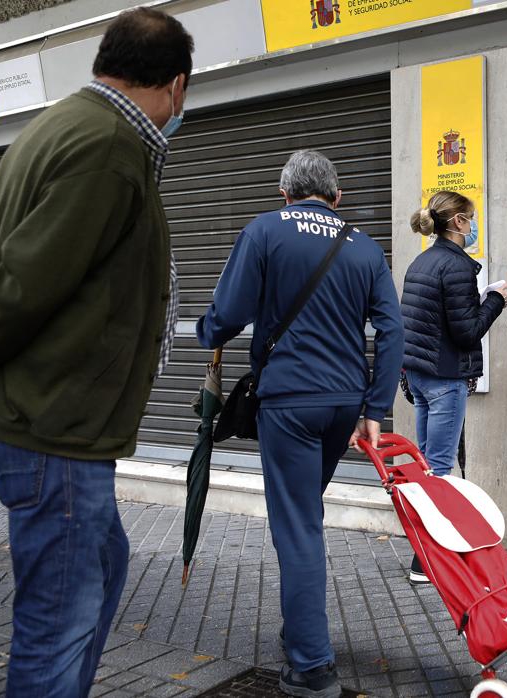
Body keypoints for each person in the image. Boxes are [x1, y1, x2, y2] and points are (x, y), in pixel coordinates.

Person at [0, 8, 192, 696]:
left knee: (102, 564)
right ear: (176, 85)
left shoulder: (56, 127)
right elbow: (19, 285)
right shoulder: (108, 148)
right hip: (52, 426)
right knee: (58, 619)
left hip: (52, 421)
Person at [198, 150, 403, 698]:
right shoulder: (364, 245)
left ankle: (312, 665)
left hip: (290, 401)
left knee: (298, 528)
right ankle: (300, 626)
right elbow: (392, 329)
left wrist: (205, 331)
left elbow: (227, 314)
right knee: (304, 513)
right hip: (344, 404)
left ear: (285, 193)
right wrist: (375, 409)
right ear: (337, 197)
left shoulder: (265, 231)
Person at [399, 190, 507, 584]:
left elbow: (432, 321)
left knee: (427, 466)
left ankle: (424, 552)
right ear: (460, 222)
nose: (474, 224)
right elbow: (467, 332)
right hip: (445, 378)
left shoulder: (422, 261)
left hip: (418, 375)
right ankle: (429, 560)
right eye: (472, 217)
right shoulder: (458, 266)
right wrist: (495, 299)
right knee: (440, 470)